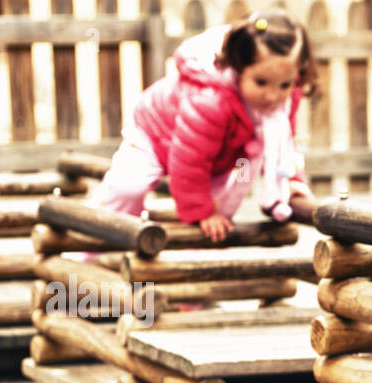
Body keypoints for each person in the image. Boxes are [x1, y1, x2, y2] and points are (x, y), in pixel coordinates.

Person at [90, 10, 316, 242]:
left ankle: (190, 262)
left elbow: (282, 144)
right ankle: (96, 242)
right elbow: (189, 159)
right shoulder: (211, 101)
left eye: (285, 84)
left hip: (212, 154)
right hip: (155, 134)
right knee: (127, 188)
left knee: (216, 213)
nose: (272, 96)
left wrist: (290, 180)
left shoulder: (285, 100)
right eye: (261, 82)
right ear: (238, 68)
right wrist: (202, 211)